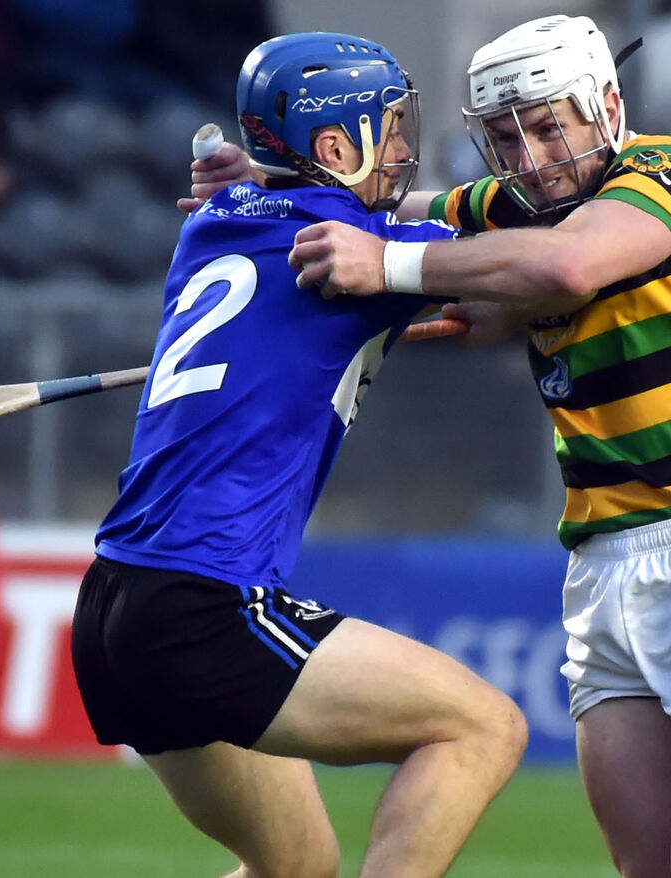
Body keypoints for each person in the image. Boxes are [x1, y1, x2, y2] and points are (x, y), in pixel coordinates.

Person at [190, 13, 671, 878]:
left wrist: (389, 267)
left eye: (548, 125)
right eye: (505, 136)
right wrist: (277, 187)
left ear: (604, 105)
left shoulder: (665, 170)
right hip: (606, 570)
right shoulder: (517, 205)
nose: (530, 156)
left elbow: (566, 268)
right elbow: (397, 207)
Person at [71, 31, 526, 878]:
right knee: (483, 726)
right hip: (204, 602)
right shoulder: (353, 250)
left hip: (109, 608)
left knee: (298, 868)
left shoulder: (215, 219)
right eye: (386, 130)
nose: (400, 150)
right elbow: (539, 261)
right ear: (331, 148)